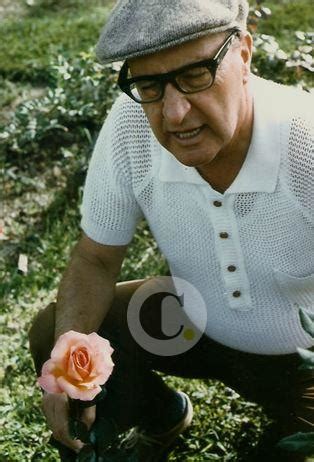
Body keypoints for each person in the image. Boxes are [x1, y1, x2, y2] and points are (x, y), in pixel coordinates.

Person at [29, 0, 314, 461]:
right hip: (190, 322)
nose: (175, 113)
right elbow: (96, 259)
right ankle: (162, 414)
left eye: (196, 74)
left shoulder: (306, 141)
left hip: (302, 362)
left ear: (243, 54)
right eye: (149, 85)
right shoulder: (131, 128)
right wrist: (67, 370)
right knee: (57, 335)